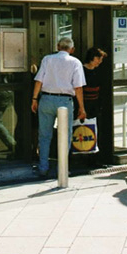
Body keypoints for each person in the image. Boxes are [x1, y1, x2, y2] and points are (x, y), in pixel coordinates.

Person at [31, 37, 86, 179]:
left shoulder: (47, 59)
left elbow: (38, 81)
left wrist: (34, 99)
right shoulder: (75, 62)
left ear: (57, 46)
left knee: (44, 135)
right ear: (72, 49)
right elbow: (78, 87)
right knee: (65, 136)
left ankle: (43, 167)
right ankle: (63, 168)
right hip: (65, 101)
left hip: (46, 99)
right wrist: (82, 107)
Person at [80, 47, 108, 153]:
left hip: (94, 104)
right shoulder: (81, 70)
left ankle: (93, 154)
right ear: (94, 58)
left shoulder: (98, 71)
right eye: (99, 59)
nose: (100, 62)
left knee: (94, 129)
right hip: (83, 103)